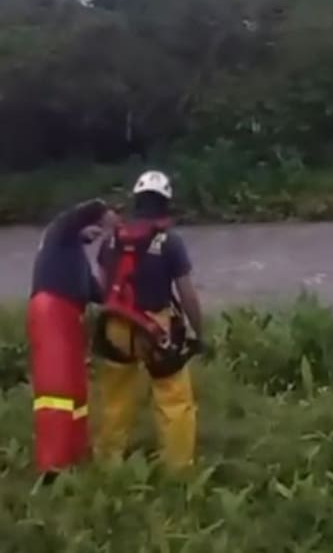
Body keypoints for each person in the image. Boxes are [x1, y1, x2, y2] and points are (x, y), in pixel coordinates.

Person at [93, 170, 205, 471]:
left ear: (136, 200)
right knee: (173, 399)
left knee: (114, 399)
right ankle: (178, 470)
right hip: (155, 330)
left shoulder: (112, 240)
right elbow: (187, 294)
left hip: (115, 325)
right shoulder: (170, 242)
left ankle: (108, 463)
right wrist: (198, 330)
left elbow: (104, 285)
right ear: (166, 203)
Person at [27, 198, 119, 482]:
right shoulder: (58, 233)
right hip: (51, 310)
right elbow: (79, 214)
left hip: (70, 316)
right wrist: (105, 214)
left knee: (76, 392)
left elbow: (98, 293)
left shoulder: (75, 253)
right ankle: (52, 468)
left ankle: (75, 455)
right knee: (57, 392)